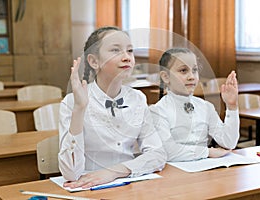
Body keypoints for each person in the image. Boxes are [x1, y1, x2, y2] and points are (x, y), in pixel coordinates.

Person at [58, 26, 166, 189]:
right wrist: (79, 109)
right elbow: (71, 174)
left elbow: (157, 154)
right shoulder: (71, 102)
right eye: (116, 51)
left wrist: (114, 172)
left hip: (129, 182)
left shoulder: (138, 99)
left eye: (130, 51)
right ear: (94, 61)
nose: (127, 57)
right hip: (88, 186)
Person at [149, 47, 239, 162]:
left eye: (195, 70)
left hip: (204, 169)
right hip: (174, 171)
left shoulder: (206, 106)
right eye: (183, 70)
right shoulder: (158, 111)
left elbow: (229, 142)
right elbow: (168, 152)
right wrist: (207, 152)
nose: (191, 76)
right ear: (166, 77)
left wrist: (232, 106)